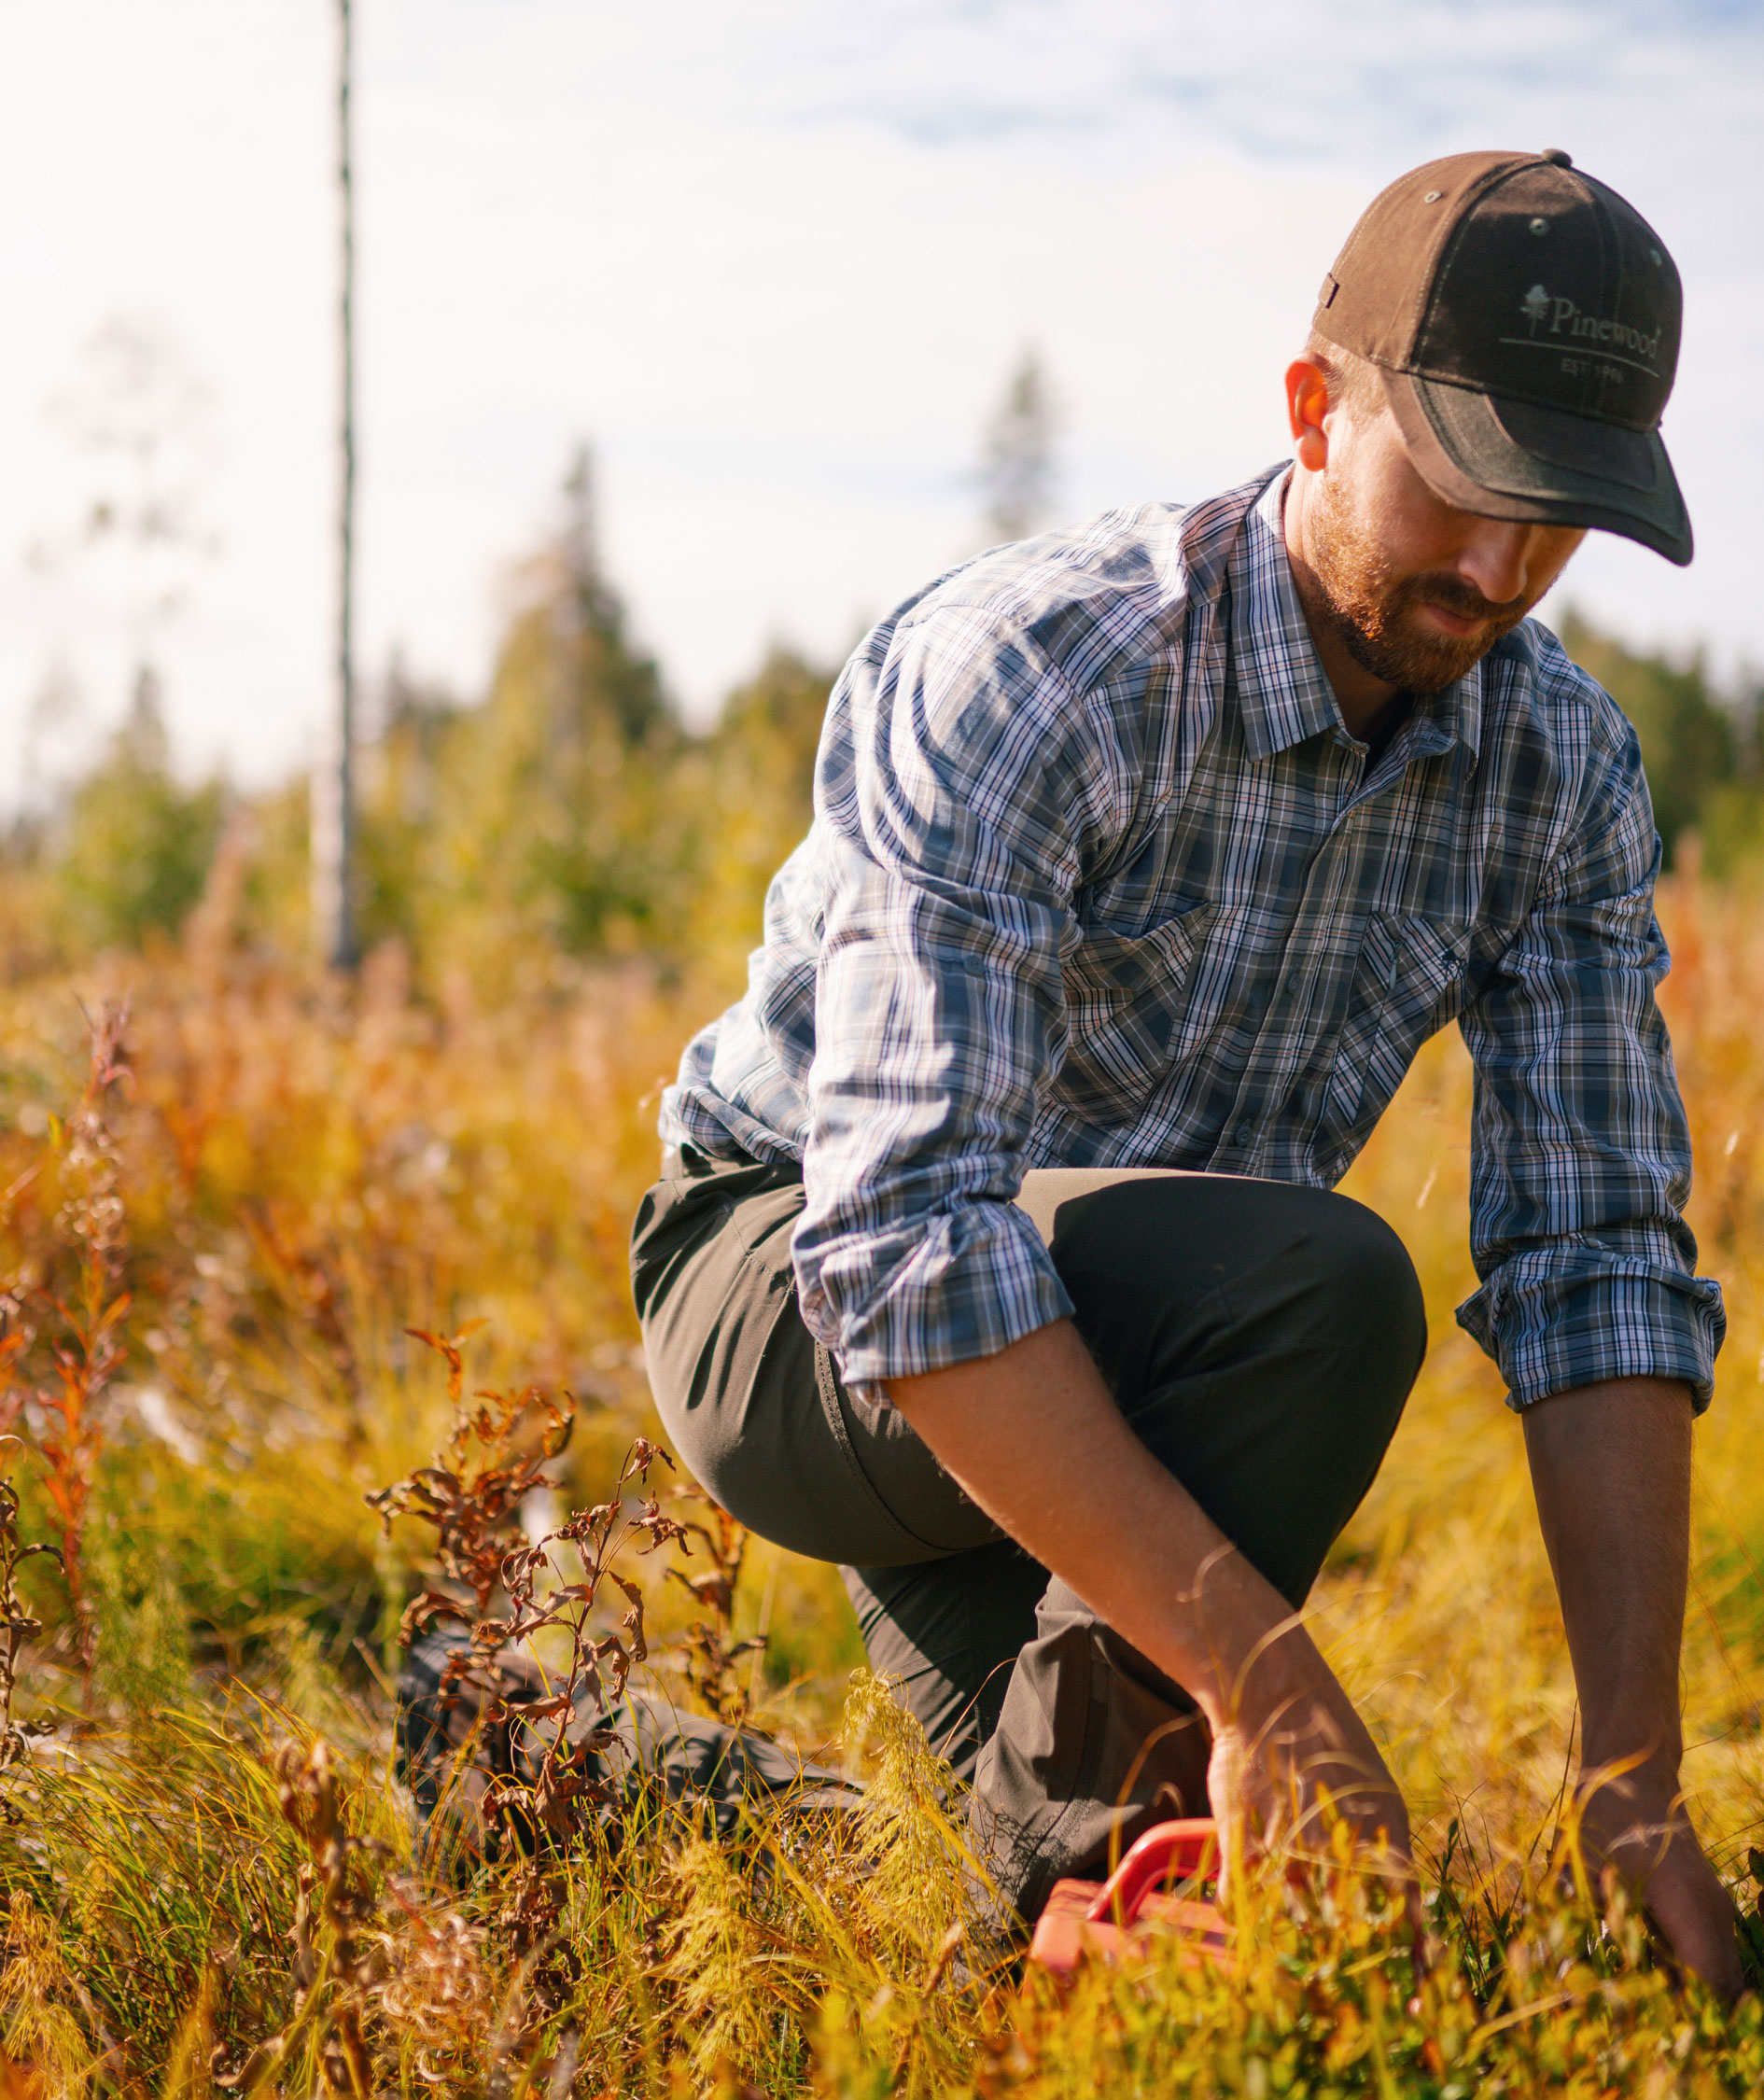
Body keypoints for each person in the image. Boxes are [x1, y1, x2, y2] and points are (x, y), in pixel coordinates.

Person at [630, 149, 1742, 1994]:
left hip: (1116, 1374)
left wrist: (1632, 1772)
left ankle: (570, 1762)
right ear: (1314, 408)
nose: (1498, 569)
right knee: (1317, 1283)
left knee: (1079, 1879)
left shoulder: (1561, 775)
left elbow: (1600, 1263)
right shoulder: (1038, 671)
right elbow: (903, 1232)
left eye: (1555, 517)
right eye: (1463, 488)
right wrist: (1268, 1673)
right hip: (795, 1282)